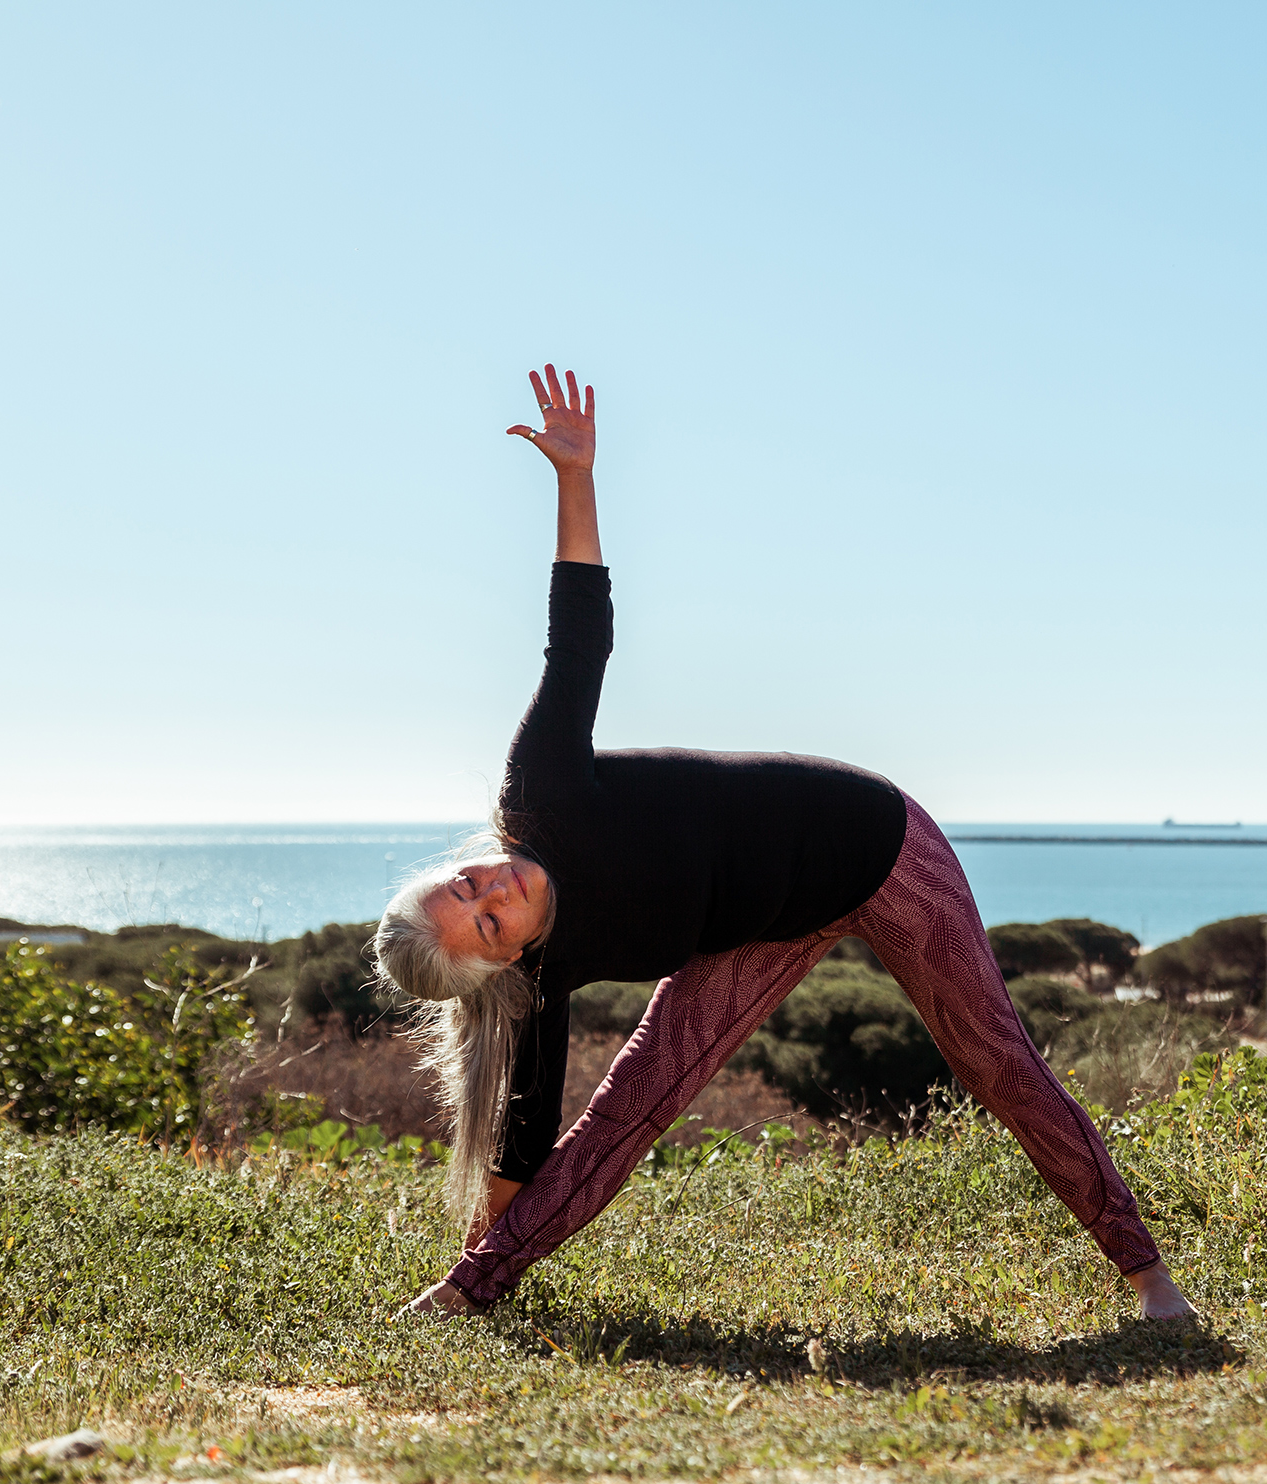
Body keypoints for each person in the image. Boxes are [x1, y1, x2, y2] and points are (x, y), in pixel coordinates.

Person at [376, 365, 1192, 1322]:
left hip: (871, 842)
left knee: (994, 1061)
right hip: (755, 926)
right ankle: (469, 1296)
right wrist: (488, 1247)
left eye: (465, 880)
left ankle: (1152, 1284)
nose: (493, 887)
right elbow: (527, 1126)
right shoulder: (545, 977)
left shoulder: (541, 791)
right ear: (506, 959)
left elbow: (577, 639)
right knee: (631, 1108)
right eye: (483, 918)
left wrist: (575, 478)